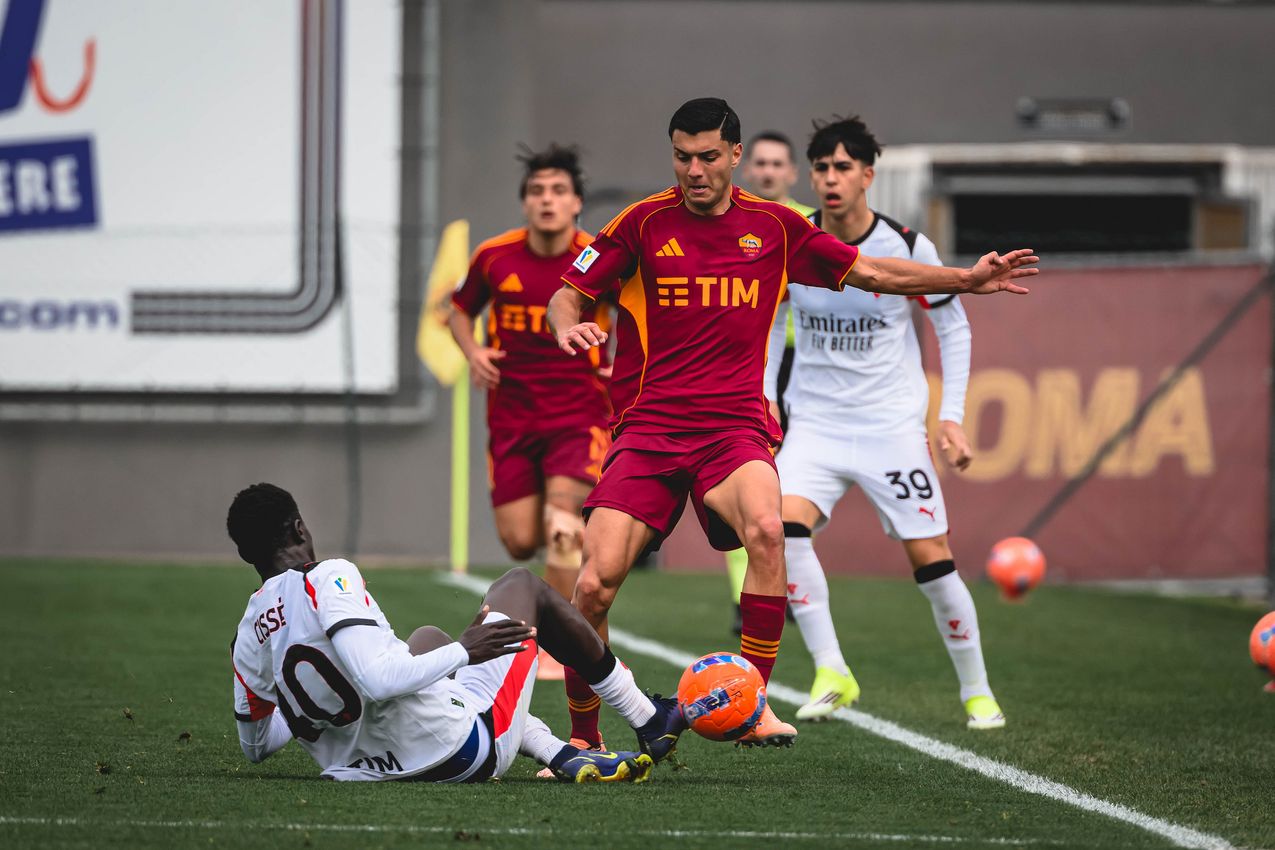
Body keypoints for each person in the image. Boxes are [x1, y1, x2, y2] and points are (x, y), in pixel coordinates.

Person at [547, 97, 1036, 751]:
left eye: (707, 158)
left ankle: (753, 704)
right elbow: (569, 289)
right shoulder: (641, 223)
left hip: (733, 429)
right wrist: (565, 323)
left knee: (771, 531)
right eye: (681, 157)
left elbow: (872, 271)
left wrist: (962, 279)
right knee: (592, 583)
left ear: (734, 157)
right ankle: (582, 738)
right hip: (651, 428)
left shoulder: (774, 228)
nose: (693, 171)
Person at [767, 114, 1003, 729]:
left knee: (932, 558)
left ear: (868, 175)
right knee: (781, 529)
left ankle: (977, 691)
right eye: (821, 168)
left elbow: (952, 326)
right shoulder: (795, 240)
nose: (830, 178)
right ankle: (831, 670)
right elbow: (769, 325)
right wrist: (765, 396)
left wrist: (948, 417)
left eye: (843, 167)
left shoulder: (906, 247)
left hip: (890, 428)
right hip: (814, 424)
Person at [227, 482, 684, 783]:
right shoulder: (327, 576)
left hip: (359, 770)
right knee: (520, 585)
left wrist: (311, 700)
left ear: (249, 555)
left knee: (426, 638)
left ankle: (559, 753)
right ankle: (648, 717)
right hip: (458, 753)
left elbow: (257, 746)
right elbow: (378, 681)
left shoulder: (247, 632)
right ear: (299, 526)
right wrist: (465, 651)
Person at [448, 144, 612, 682]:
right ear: (524, 203)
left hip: (579, 411)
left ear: (577, 203)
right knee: (521, 540)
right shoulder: (495, 256)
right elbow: (457, 309)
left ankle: (550, 646)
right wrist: (473, 353)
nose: (548, 200)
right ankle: (561, 565)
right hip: (513, 415)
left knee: (564, 527)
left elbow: (641, 309)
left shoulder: (598, 255)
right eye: (537, 191)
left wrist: (623, 364)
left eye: (558, 191)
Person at [724, 130, 815, 636]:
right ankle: (745, 596)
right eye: (760, 162)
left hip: (804, 363)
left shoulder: (804, 222)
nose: (768, 172)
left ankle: (791, 586)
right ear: (745, 166)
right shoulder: (729, 218)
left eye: (778, 163)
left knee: (794, 480)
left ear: (792, 173)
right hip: (749, 359)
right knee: (745, 475)